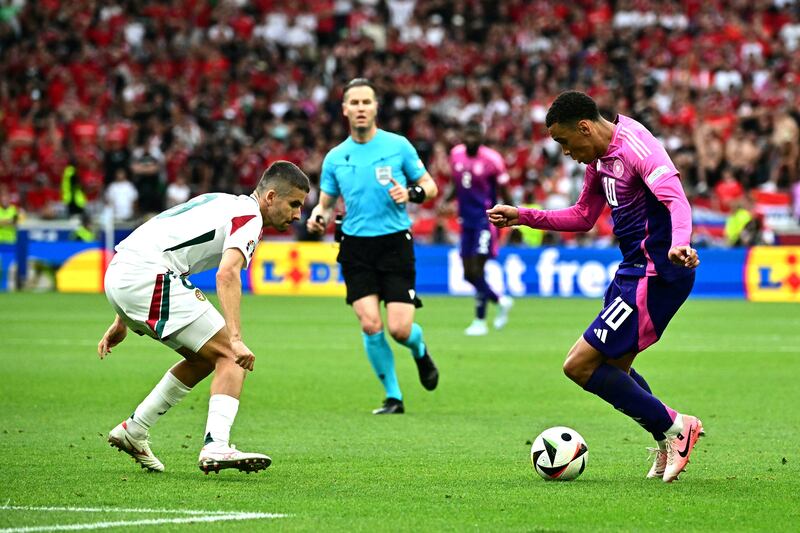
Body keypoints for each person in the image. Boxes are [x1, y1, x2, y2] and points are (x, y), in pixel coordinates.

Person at [487, 91, 703, 483]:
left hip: (657, 273)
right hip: (633, 270)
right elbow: (584, 216)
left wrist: (680, 243)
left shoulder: (637, 147)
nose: (566, 152)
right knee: (614, 369)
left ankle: (677, 426)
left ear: (584, 127)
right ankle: (667, 436)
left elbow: (677, 201)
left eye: (565, 142)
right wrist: (523, 215)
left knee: (579, 365)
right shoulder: (600, 161)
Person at [97, 161, 310, 474]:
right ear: (270, 197)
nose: (297, 215)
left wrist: (121, 317)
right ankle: (216, 445)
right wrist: (235, 339)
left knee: (203, 358)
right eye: (294, 204)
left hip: (121, 271)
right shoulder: (249, 217)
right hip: (147, 276)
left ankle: (135, 429)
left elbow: (159, 235)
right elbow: (227, 274)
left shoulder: (222, 201)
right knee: (230, 356)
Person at [306, 78, 439, 415]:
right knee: (370, 323)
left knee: (399, 329)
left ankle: (420, 349)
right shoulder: (336, 157)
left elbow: (430, 186)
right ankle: (393, 397)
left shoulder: (398, 146)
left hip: (395, 245)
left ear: (376, 107)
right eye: (355, 103)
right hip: (355, 248)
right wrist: (318, 217)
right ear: (345, 110)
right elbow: (325, 203)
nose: (361, 108)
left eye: (367, 102)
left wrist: (410, 193)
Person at [447, 120, 514, 336]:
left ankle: (479, 321)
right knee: (468, 274)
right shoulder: (456, 154)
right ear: (463, 136)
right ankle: (500, 300)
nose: (470, 139)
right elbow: (457, 183)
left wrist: (512, 215)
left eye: (475, 136)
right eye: (467, 135)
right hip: (465, 221)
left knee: (478, 269)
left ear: (481, 138)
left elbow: (505, 190)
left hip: (485, 221)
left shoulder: (492, 160)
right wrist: (445, 200)